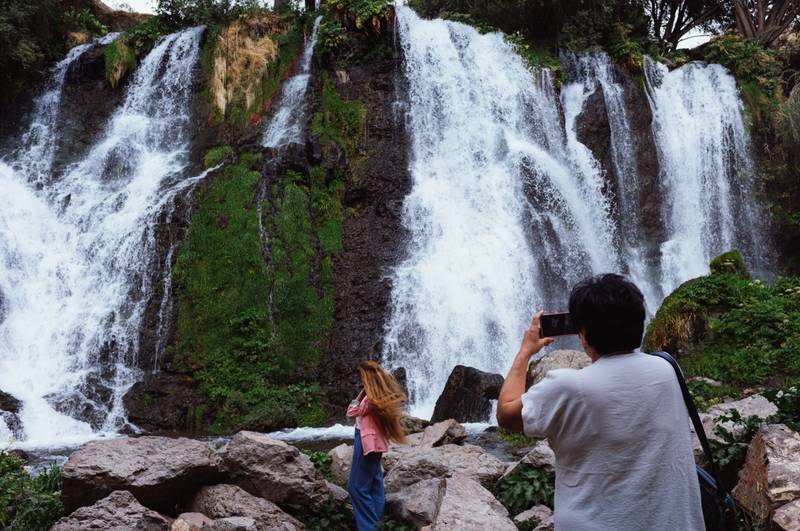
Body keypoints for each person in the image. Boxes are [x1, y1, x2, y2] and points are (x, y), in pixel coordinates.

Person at [496, 274, 704, 531]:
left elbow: (506, 412)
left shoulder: (569, 387)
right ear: (640, 322)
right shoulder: (669, 369)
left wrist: (525, 351)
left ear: (582, 333)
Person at [346, 361, 408, 531]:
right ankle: (376, 522)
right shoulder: (376, 396)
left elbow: (351, 412)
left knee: (356, 488)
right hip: (376, 443)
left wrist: (360, 394)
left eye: (362, 376)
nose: (361, 379)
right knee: (374, 485)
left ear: (367, 377)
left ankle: (369, 527)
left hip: (366, 442)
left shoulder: (370, 400)